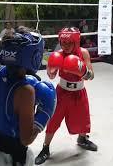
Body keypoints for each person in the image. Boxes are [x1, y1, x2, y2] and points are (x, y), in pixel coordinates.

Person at [0, 28, 57, 166]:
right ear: (33, 55)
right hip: (12, 158)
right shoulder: (26, 91)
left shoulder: (1, 73)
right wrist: (44, 115)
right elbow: (26, 139)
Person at [35, 27, 97, 165]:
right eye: (63, 43)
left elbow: (91, 76)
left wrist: (83, 70)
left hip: (79, 92)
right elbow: (51, 76)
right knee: (53, 120)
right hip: (61, 92)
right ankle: (45, 148)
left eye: (69, 43)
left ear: (76, 42)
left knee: (82, 119)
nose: (65, 46)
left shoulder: (84, 53)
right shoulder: (58, 55)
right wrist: (51, 69)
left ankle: (82, 139)